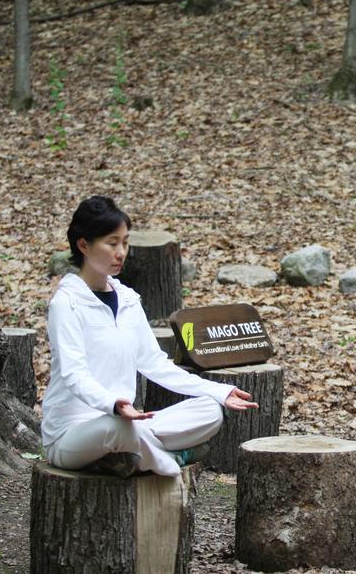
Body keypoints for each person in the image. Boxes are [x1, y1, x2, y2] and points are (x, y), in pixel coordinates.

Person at [41, 195, 258, 477]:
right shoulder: (66, 303)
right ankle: (171, 460)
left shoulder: (128, 300)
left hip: (130, 425)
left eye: (125, 242)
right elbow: (74, 374)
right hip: (74, 434)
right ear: (84, 245)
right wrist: (113, 405)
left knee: (211, 411)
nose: (121, 252)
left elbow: (155, 364)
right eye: (111, 242)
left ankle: (129, 457)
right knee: (118, 428)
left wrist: (219, 391)